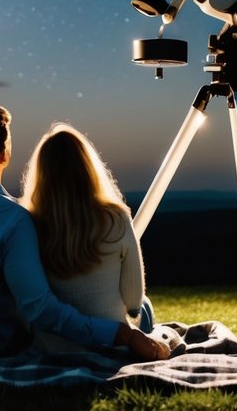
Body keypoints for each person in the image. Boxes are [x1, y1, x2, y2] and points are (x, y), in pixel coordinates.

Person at [0, 104, 169, 361]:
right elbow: (40, 309)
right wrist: (119, 333)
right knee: (141, 309)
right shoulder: (12, 219)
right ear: (4, 154)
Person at [20, 122, 155, 353]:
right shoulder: (116, 218)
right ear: (88, 168)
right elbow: (133, 303)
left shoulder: (28, 223)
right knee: (144, 306)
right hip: (111, 344)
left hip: (51, 348)